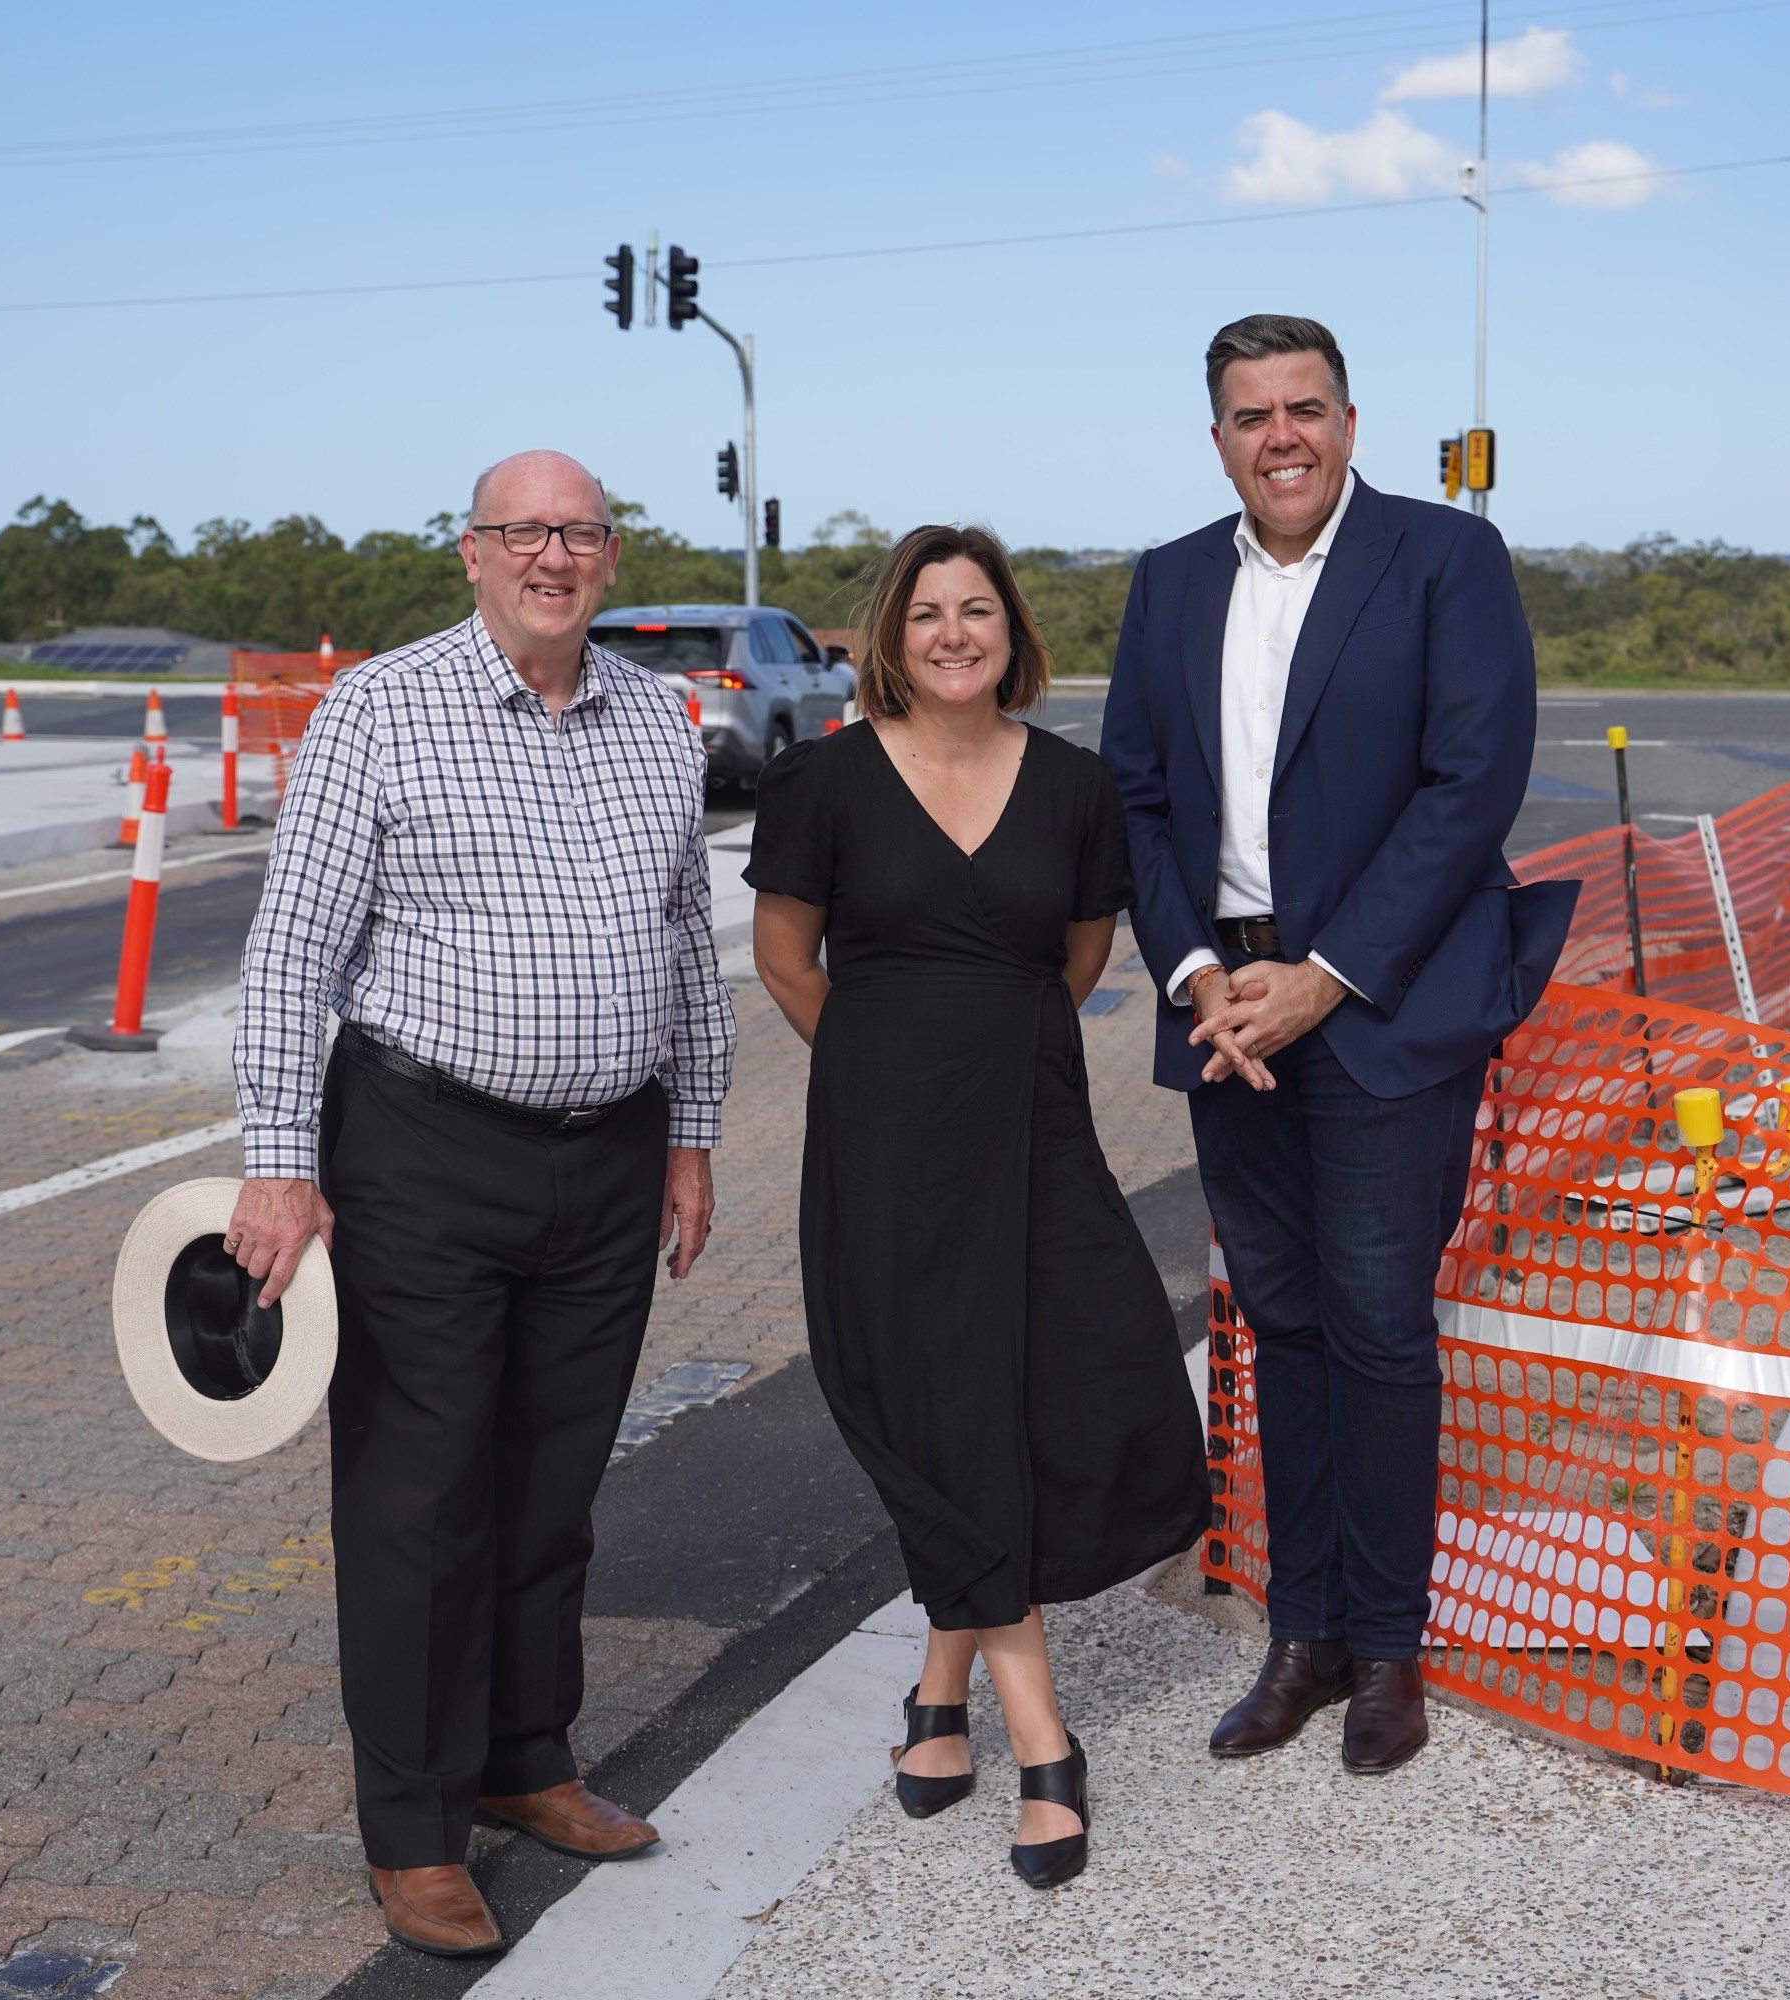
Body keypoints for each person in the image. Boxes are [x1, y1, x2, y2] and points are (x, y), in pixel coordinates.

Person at [225, 450, 736, 1959]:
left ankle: (527, 1762)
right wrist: (278, 1162)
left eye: (578, 532)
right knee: (420, 1492)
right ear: (472, 554)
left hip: (611, 1154)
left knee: (555, 1483)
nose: (553, 556)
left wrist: (691, 1140)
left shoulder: (662, 717)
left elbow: (684, 943)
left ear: (613, 556)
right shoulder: (379, 711)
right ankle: (415, 1826)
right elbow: (292, 953)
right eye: (525, 532)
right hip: (423, 1151)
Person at [1101, 315, 1559, 1775]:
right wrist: (1194, 976)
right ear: (1219, 436)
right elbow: (1137, 796)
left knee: (1376, 1331)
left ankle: (1388, 1650)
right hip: (1226, 1013)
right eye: (1252, 414)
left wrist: (1328, 975)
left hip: (1380, 1005)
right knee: (1278, 1332)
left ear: (1350, 424)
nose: (1281, 435)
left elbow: (1469, 784)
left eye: (1305, 408)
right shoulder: (1171, 581)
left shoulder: (1445, 562)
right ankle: (1299, 1637)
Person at [747, 524, 1208, 1890]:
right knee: (926, 1399)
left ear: (1013, 634)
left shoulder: (1074, 787)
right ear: (894, 631)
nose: (956, 633)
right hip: (882, 1145)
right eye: (931, 612)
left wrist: (981, 1062)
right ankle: (1040, 1738)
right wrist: (898, 1067)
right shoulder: (821, 779)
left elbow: (1076, 962)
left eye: (979, 612)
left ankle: (935, 1698)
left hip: (1032, 1132)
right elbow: (785, 960)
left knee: (1059, 1388)